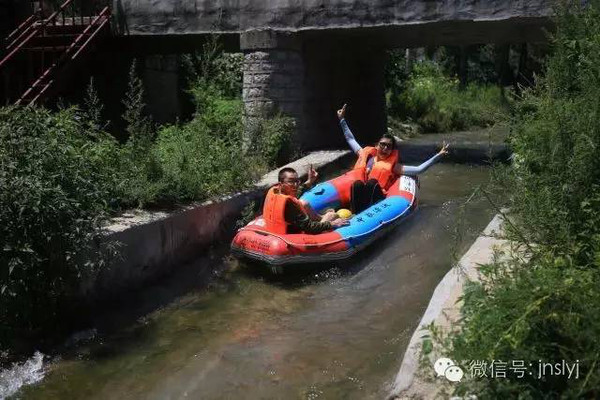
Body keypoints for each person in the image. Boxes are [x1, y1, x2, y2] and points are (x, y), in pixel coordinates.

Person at [337, 104, 449, 213]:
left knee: (372, 182)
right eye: (382, 144)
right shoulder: (366, 155)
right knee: (357, 184)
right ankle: (355, 214)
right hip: (362, 199)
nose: (385, 148)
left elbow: (419, 169)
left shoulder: (395, 166)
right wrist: (342, 119)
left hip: (378, 199)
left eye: (389, 146)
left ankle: (364, 214)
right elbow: (350, 139)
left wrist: (438, 156)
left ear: (392, 150)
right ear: (377, 145)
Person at [262, 167, 349, 234]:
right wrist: (333, 223)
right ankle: (328, 218)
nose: (295, 185)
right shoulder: (290, 205)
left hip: (282, 228)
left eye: (297, 181)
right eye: (291, 181)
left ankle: (321, 217)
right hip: (299, 234)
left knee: (304, 203)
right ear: (281, 184)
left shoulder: (278, 192)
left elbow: (296, 193)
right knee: (332, 215)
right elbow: (310, 228)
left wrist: (309, 181)